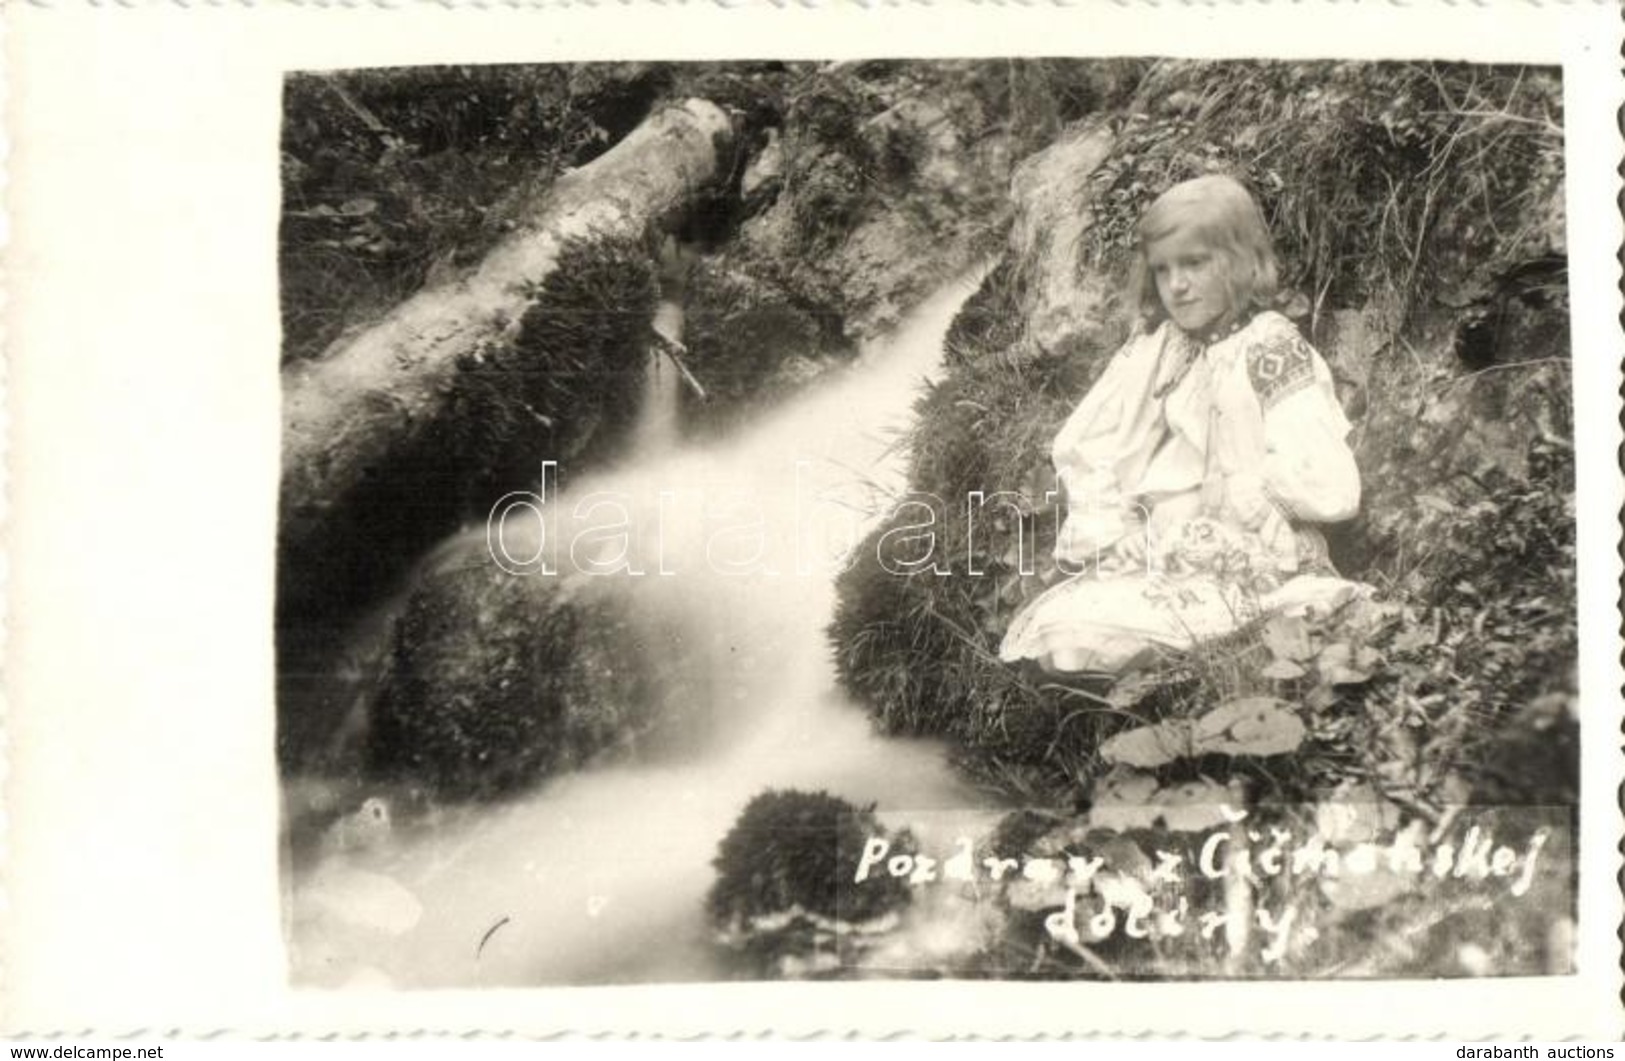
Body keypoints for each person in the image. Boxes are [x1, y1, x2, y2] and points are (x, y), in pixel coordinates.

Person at [999, 174, 1364, 675]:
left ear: (1239, 261)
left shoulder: (1270, 346)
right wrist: (1116, 526)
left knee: (1240, 627)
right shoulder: (1161, 347)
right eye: (1163, 269)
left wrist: (1243, 497)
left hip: (1251, 551)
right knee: (1071, 636)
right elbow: (1090, 446)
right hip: (1162, 548)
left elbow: (1331, 484)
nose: (1177, 285)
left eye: (1194, 263)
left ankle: (1200, 658)